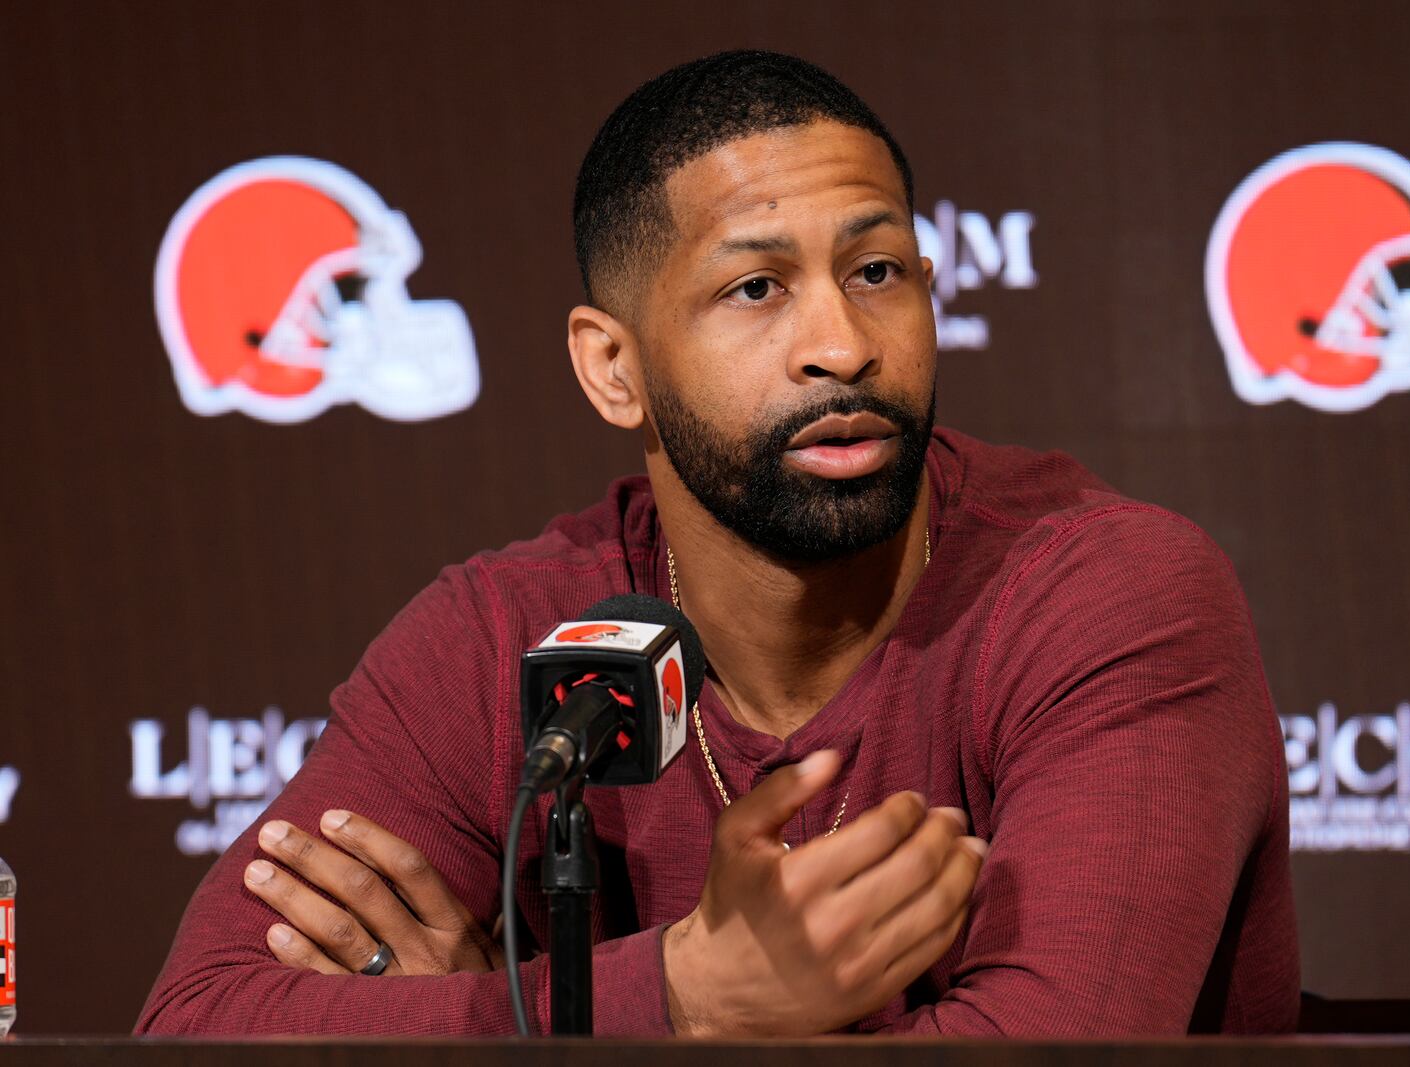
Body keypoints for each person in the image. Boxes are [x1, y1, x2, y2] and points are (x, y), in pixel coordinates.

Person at [136, 50, 1299, 1037]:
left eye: (877, 271)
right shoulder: (507, 631)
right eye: (756, 287)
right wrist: (685, 992)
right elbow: (198, 1021)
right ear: (613, 366)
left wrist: (527, 1024)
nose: (841, 343)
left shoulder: (1108, 593)